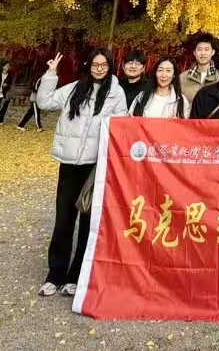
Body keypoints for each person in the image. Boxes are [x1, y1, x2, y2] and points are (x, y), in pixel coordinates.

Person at [35, 48, 127, 297]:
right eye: (95, 64)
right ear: (88, 66)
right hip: (69, 163)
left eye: (104, 65)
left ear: (110, 67)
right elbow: (44, 102)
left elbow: (121, 126)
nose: (99, 69)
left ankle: (77, 276)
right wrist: (51, 74)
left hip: (95, 166)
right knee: (63, 220)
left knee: (88, 222)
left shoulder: (115, 93)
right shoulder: (74, 89)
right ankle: (55, 274)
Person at [179, 33, 219, 106]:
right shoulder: (182, 78)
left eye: (206, 49)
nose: (203, 53)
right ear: (194, 52)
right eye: (199, 49)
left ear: (213, 52)